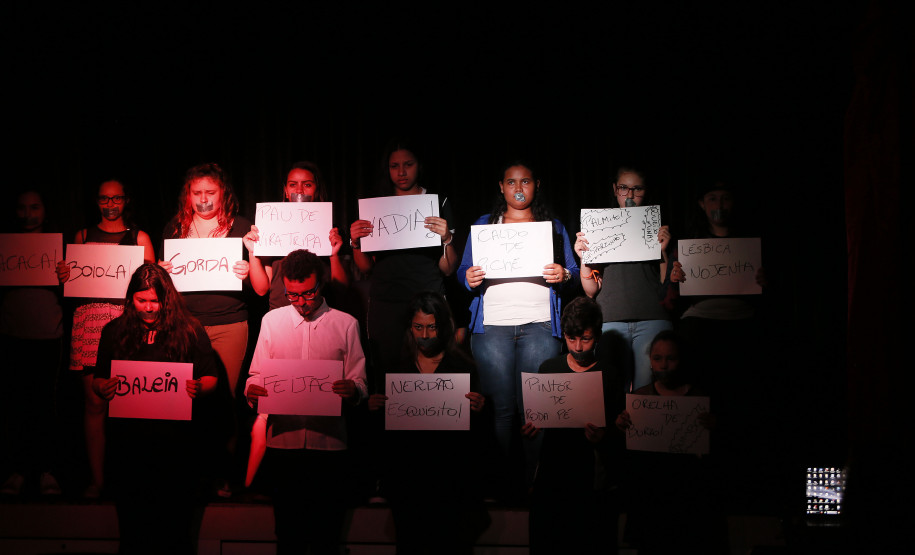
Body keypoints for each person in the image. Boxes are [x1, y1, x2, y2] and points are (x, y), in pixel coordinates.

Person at [458, 161, 579, 489]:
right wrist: (468, 278)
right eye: (511, 182)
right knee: (500, 409)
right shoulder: (485, 225)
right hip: (492, 327)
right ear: (501, 186)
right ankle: (500, 483)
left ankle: (532, 484)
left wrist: (564, 275)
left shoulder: (551, 226)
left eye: (525, 181)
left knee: (535, 411)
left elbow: (572, 270)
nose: (518, 188)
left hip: (539, 326)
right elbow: (463, 270)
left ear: (536, 184)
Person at [244, 249, 367, 555]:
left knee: (326, 535)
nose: (301, 302)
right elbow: (255, 375)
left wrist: (352, 390)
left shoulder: (346, 324)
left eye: (308, 293)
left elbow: (361, 382)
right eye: (292, 295)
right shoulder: (272, 321)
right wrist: (252, 390)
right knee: (287, 535)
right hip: (283, 445)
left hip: (329, 446)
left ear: (321, 284)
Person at [92, 263, 218, 555]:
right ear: (130, 299)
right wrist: (102, 387)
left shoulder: (189, 329)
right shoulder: (114, 330)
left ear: (167, 299)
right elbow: (98, 378)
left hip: (176, 447)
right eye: (141, 300)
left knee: (175, 529)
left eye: (155, 301)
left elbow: (211, 376)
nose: (149, 308)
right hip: (129, 446)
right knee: (133, 529)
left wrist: (200, 387)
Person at [55, 179, 156, 498]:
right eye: (104, 199)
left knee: (131, 403)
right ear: (96, 201)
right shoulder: (82, 237)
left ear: (126, 200)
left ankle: (131, 479)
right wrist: (63, 277)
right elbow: (72, 286)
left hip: (126, 323)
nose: (110, 204)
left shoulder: (140, 237)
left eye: (116, 199)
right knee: (95, 404)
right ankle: (98, 482)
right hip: (87, 324)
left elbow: (152, 288)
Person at [367, 292, 489, 555]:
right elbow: (385, 434)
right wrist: (374, 407)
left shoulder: (461, 367)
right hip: (408, 482)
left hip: (449, 482)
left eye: (431, 327)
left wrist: (479, 408)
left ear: (443, 326)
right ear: (410, 328)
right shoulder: (396, 368)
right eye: (418, 327)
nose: (424, 335)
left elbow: (476, 439)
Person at [349, 141, 459, 387]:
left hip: (427, 299)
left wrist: (447, 239)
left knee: (432, 371)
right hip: (386, 301)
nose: (401, 172)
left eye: (408, 165)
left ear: (419, 166)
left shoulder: (437, 202)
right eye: (394, 166)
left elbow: (449, 269)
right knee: (387, 372)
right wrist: (355, 243)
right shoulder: (375, 206)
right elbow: (366, 268)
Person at [521, 296, 623, 555]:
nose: (578, 347)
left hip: (590, 478)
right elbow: (540, 421)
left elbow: (621, 433)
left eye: (585, 339)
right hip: (554, 474)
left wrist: (604, 436)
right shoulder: (549, 368)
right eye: (571, 338)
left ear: (597, 336)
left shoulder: (609, 374)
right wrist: (532, 430)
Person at [613, 330, 723, 555]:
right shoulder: (640, 400)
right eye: (657, 358)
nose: (663, 365)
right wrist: (621, 427)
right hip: (649, 502)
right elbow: (626, 459)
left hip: (689, 502)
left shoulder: (699, 400)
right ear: (650, 362)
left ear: (682, 360)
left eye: (670, 358)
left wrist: (714, 429)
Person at [575, 166, 674, 392]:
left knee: (646, 393)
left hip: (651, 318)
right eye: (623, 188)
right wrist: (584, 257)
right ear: (614, 189)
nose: (629, 195)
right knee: (613, 392)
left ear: (645, 191)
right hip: (611, 320)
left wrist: (663, 251)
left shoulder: (653, 226)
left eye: (637, 189)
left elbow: (665, 284)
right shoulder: (599, 226)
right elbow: (590, 291)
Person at [1, 190, 65, 497]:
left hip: (49, 336)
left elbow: (78, 286)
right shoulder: (6, 246)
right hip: (12, 334)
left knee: (45, 407)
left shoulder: (59, 245)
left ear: (45, 210)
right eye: (22, 207)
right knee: (15, 406)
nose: (28, 214)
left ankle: (47, 471)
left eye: (35, 207)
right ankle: (16, 470)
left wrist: (67, 275)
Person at [246, 161, 348, 310]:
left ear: (316, 189)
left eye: (307, 185)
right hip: (281, 314)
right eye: (293, 184)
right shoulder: (270, 227)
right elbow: (261, 289)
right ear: (286, 191)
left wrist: (334, 256)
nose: (299, 191)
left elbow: (342, 289)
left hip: (320, 314)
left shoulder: (331, 231)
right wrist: (252, 252)